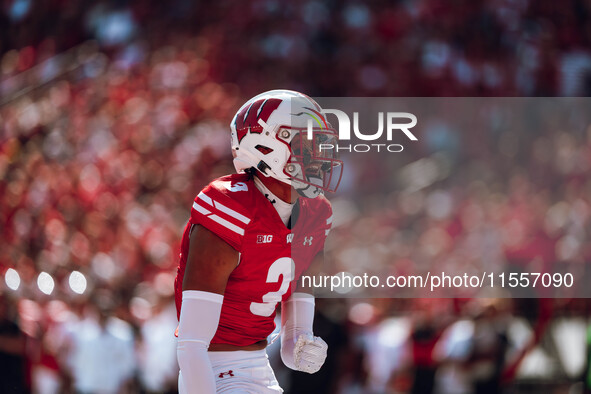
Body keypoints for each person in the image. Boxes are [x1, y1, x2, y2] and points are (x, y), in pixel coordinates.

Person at [174, 89, 343, 393]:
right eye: (306, 143)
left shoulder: (316, 214)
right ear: (264, 146)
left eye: (320, 142)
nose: (319, 153)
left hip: (260, 367)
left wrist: (304, 351)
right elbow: (192, 343)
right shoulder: (230, 207)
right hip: (214, 371)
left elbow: (292, 343)